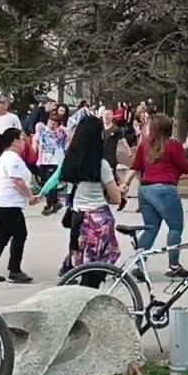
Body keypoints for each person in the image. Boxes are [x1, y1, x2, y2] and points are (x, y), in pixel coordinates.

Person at [124, 114, 188, 278]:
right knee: (175, 228)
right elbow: (186, 167)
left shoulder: (144, 145)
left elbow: (134, 167)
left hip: (145, 190)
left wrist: (125, 184)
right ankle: (173, 265)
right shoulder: (174, 146)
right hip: (165, 190)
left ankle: (139, 265)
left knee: (150, 228)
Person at [60, 115, 123, 277]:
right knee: (97, 268)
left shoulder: (70, 162)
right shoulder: (101, 165)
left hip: (77, 216)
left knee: (79, 263)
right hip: (98, 221)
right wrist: (121, 190)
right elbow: (116, 198)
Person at [0, 128, 38, 283]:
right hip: (7, 204)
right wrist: (30, 197)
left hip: (2, 203)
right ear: (14, 141)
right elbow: (17, 181)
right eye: (21, 139)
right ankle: (14, 270)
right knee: (19, 234)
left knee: (3, 236)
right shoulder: (12, 158)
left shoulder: (7, 157)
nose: (23, 142)